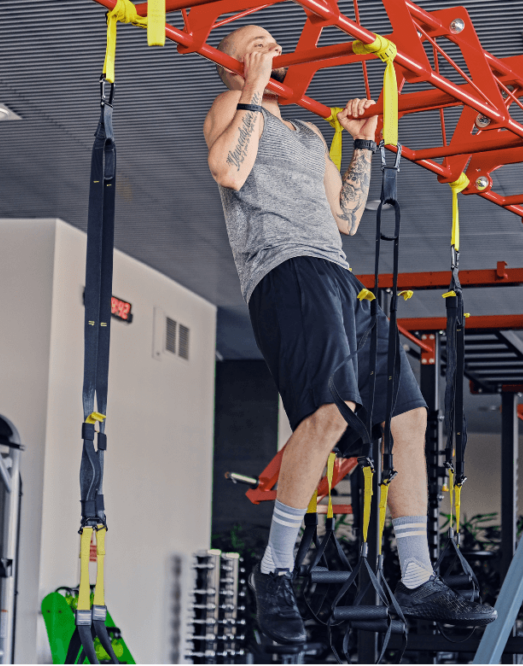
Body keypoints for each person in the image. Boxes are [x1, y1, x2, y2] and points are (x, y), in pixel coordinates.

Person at [203, 25, 498, 645]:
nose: (272, 50)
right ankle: (275, 570)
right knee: (330, 415)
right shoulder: (231, 106)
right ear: (229, 64)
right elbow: (228, 173)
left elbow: (346, 215)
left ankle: (417, 577)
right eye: (256, 44)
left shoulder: (309, 133)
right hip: (285, 273)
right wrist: (251, 89)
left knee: (409, 419)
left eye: (272, 42)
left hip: (339, 277)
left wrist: (360, 144)